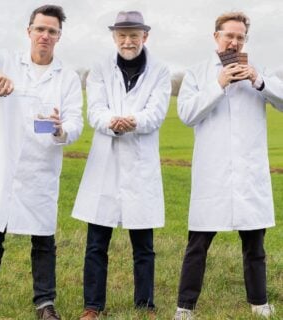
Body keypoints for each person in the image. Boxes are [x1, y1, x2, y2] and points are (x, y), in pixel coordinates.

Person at [173, 11, 283, 320]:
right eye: (228, 36)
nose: (234, 42)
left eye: (240, 37)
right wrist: (218, 84)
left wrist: (258, 80)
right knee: (198, 244)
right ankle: (185, 307)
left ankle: (260, 304)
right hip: (213, 174)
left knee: (254, 245)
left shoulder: (258, 72)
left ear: (245, 40)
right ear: (216, 37)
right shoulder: (197, 73)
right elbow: (186, 114)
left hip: (249, 174)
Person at [0, 5, 83, 320]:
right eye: (40, 29)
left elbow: (76, 121)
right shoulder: (8, 61)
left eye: (51, 31)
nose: (45, 35)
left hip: (40, 167)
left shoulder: (67, 77)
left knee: (43, 241)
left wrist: (60, 128)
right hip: (3, 165)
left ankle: (44, 304)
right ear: (29, 31)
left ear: (59, 37)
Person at [72, 10, 171, 320]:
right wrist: (113, 123)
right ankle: (92, 306)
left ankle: (145, 306)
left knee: (143, 245)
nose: (128, 41)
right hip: (106, 163)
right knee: (96, 243)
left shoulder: (161, 71)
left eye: (134, 35)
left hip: (140, 164)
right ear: (114, 36)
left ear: (145, 36)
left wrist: (134, 121)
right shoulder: (99, 68)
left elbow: (156, 113)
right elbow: (96, 111)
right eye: (122, 35)